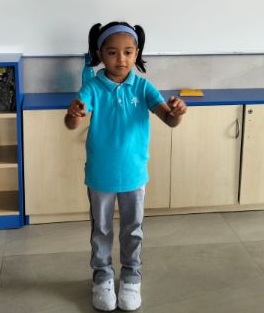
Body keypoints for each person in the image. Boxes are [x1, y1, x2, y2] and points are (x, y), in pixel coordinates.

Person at [65, 21, 187, 311]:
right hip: (100, 176)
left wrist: (178, 113)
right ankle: (102, 277)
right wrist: (73, 114)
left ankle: (131, 277)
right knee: (101, 230)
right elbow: (71, 123)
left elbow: (168, 119)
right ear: (100, 54)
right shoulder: (92, 88)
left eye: (128, 52)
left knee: (133, 229)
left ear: (136, 53)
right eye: (112, 53)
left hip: (134, 175)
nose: (121, 59)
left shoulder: (143, 87)